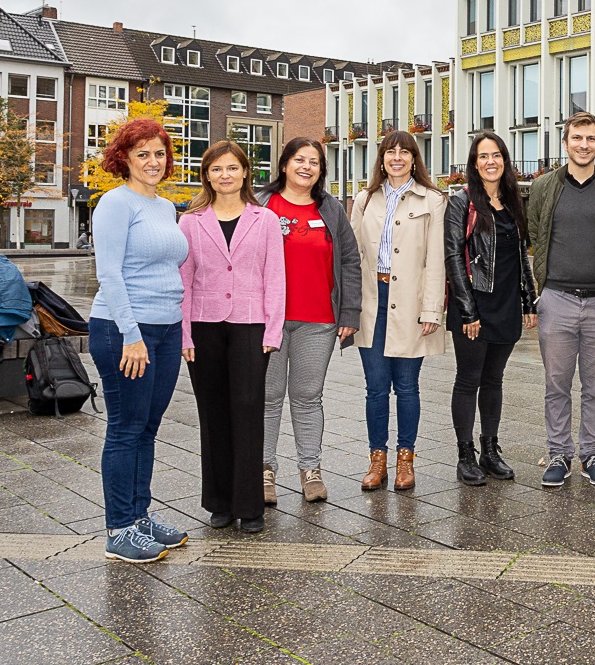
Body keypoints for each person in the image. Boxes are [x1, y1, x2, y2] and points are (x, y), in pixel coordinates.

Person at [89, 117, 190, 564]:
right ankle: (119, 528)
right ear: (124, 159)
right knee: (126, 428)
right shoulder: (115, 203)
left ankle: (139, 515)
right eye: (142, 154)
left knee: (148, 427)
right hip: (124, 329)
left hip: (166, 330)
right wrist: (131, 335)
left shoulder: (166, 207)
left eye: (159, 153)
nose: (153, 161)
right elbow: (109, 273)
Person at [179, 140, 285, 533]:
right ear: (207, 174)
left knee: (247, 410)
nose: (225, 175)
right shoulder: (190, 220)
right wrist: (184, 334)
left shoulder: (265, 219)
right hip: (204, 326)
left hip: (250, 326)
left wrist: (272, 328)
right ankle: (219, 502)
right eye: (217, 168)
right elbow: (184, 281)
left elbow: (275, 277)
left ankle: (249, 504)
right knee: (212, 413)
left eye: (232, 168)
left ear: (245, 173)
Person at [526, 112, 595, 487]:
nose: (584, 145)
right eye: (577, 138)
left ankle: (593, 453)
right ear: (565, 143)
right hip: (557, 300)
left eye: (591, 139)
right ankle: (558, 455)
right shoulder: (544, 188)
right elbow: (535, 234)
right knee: (557, 384)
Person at [261, 138, 362, 506]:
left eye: (314, 162)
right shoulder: (262, 204)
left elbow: (350, 261)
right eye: (299, 159)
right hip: (268, 322)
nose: (307, 166)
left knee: (307, 397)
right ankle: (264, 470)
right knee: (268, 398)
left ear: (321, 170)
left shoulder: (331, 209)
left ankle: (310, 470)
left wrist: (349, 313)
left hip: (318, 320)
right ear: (285, 164)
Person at [350, 130, 447, 492]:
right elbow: (352, 256)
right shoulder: (365, 199)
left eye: (404, 152)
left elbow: (436, 259)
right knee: (375, 388)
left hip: (411, 300)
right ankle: (378, 459)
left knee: (406, 386)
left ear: (414, 159)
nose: (397, 158)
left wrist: (431, 310)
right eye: (391, 152)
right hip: (372, 298)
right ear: (381, 158)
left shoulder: (433, 200)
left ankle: (406, 459)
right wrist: (349, 308)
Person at [443, 132, 538, 485]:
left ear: (505, 161)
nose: (490, 162)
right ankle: (465, 455)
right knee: (468, 380)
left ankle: (490, 450)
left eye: (496, 155)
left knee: (494, 380)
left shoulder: (514, 202)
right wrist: (468, 311)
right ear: (474, 163)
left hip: (507, 305)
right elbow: (453, 256)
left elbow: (521, 257)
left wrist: (529, 299)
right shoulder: (461, 202)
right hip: (474, 305)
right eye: (483, 156)